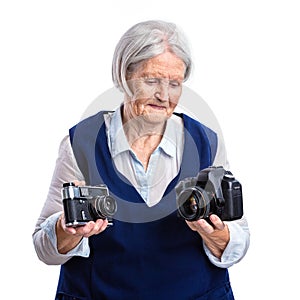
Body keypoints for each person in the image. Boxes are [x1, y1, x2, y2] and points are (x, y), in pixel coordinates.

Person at [33, 20, 250, 300]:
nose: (163, 95)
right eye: (151, 81)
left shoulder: (206, 142)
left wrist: (218, 235)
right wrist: (67, 230)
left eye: (174, 84)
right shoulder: (81, 143)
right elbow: (43, 248)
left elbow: (239, 240)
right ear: (124, 75)